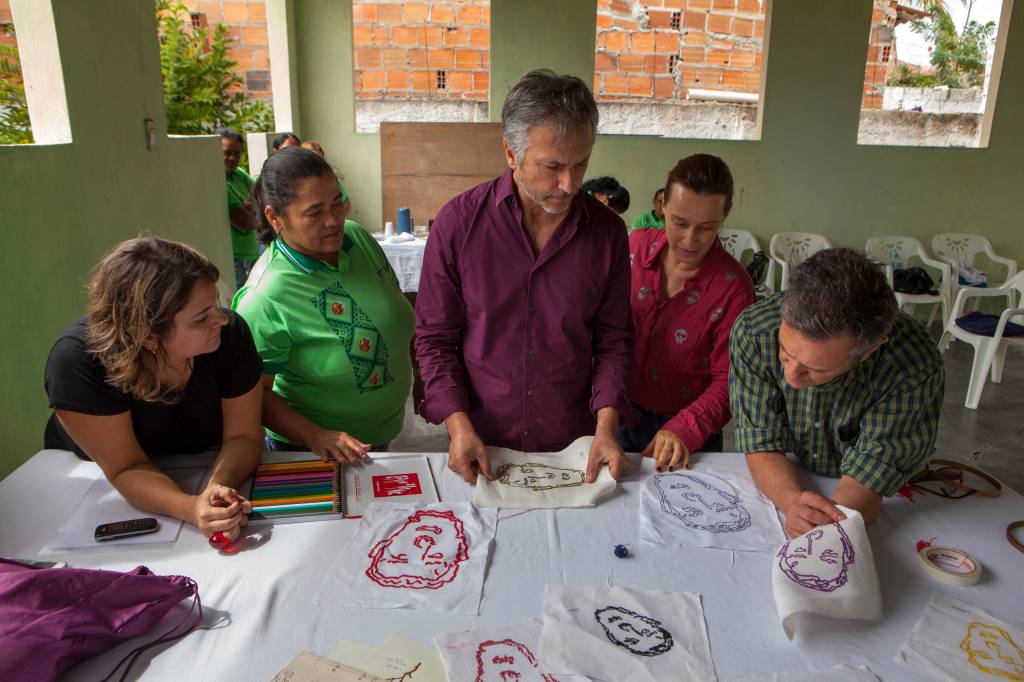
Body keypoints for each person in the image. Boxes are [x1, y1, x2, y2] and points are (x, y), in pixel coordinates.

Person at [415, 69, 633, 485]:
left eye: (580, 163)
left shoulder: (607, 233)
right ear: (511, 154)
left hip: (573, 447)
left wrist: (607, 428)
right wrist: (458, 427)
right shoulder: (459, 226)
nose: (569, 184)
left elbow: (614, 340)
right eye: (551, 166)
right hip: (481, 443)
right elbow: (435, 339)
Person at [43, 237, 264, 541]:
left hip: (203, 464)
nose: (222, 319)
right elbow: (125, 467)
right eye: (201, 319)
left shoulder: (230, 335)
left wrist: (216, 489)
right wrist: (191, 507)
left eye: (215, 305)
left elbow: (245, 436)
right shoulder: (77, 362)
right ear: (147, 334)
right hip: (96, 481)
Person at [729, 248, 944, 537]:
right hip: (791, 471)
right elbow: (761, 440)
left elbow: (868, 478)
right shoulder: (754, 330)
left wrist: (822, 527)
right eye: (785, 351)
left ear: (868, 351)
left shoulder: (912, 362)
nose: (791, 377)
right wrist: (791, 502)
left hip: (871, 491)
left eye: (815, 369)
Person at [233, 148, 414, 462]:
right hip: (314, 451)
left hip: (382, 435)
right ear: (275, 217)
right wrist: (315, 435)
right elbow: (254, 396)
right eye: (314, 212)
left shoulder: (356, 238)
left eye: (336, 203)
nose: (333, 220)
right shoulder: (266, 296)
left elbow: (394, 314)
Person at [619, 154, 755, 471]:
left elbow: (730, 380)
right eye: (679, 223)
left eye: (706, 228)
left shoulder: (733, 288)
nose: (690, 240)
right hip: (618, 416)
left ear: (724, 218)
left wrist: (685, 428)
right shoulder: (632, 250)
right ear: (662, 204)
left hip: (690, 437)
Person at [220, 127, 259, 288]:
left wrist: (251, 207)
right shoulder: (218, 180)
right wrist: (252, 210)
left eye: (237, 153)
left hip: (253, 251)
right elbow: (242, 220)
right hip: (235, 257)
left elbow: (263, 199)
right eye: (226, 152)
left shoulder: (239, 174)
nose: (232, 158)